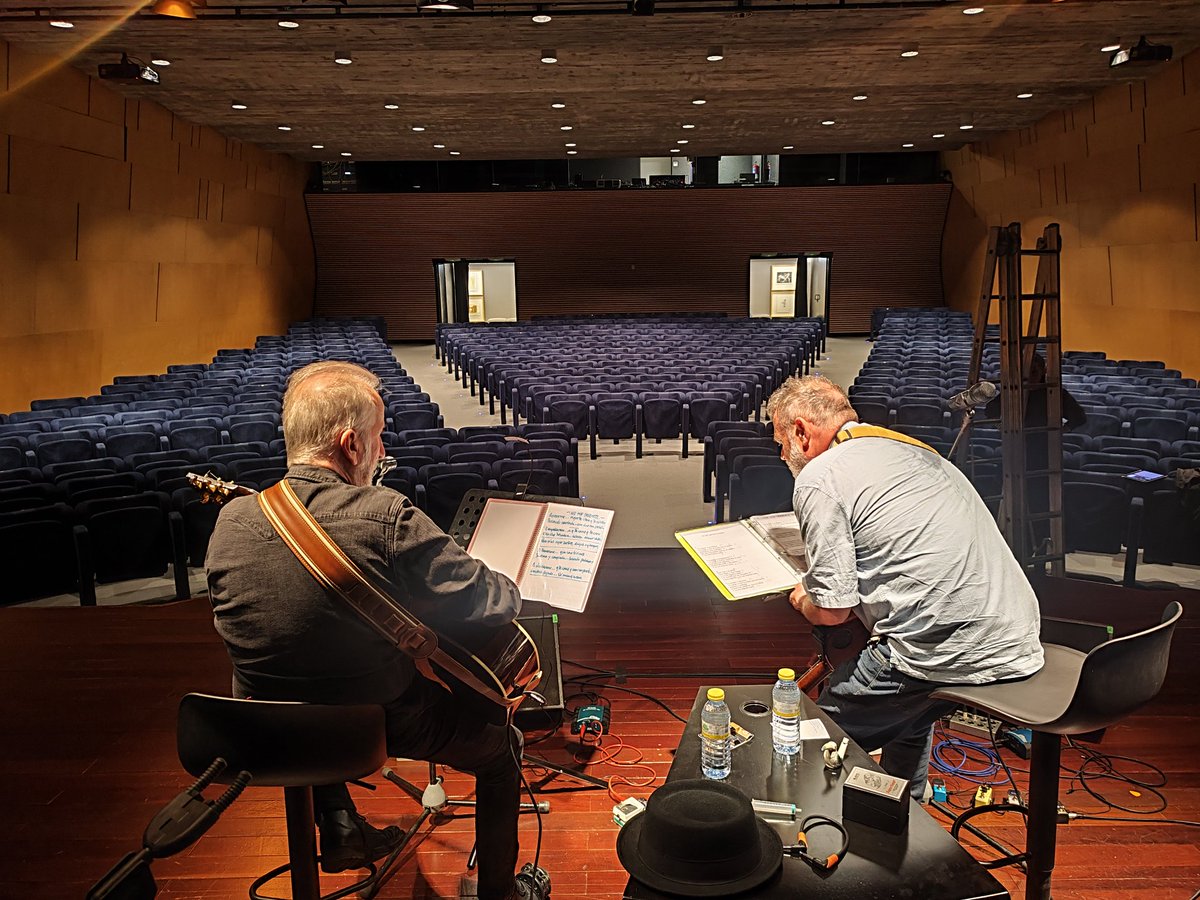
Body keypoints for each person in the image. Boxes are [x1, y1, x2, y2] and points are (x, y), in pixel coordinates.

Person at [206, 360, 548, 900]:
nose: (383, 450)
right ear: (350, 444)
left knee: (307, 669)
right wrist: (505, 584)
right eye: (378, 436)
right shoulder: (385, 514)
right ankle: (501, 893)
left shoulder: (231, 519)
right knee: (502, 747)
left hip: (258, 727)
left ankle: (339, 824)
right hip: (374, 723)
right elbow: (491, 601)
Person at [765, 375, 1044, 800]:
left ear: (801, 431)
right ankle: (904, 820)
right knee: (911, 715)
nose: (783, 454)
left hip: (945, 650)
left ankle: (795, 826)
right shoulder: (913, 450)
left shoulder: (821, 474)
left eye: (781, 441)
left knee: (803, 742)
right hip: (1017, 638)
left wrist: (805, 598)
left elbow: (833, 610)